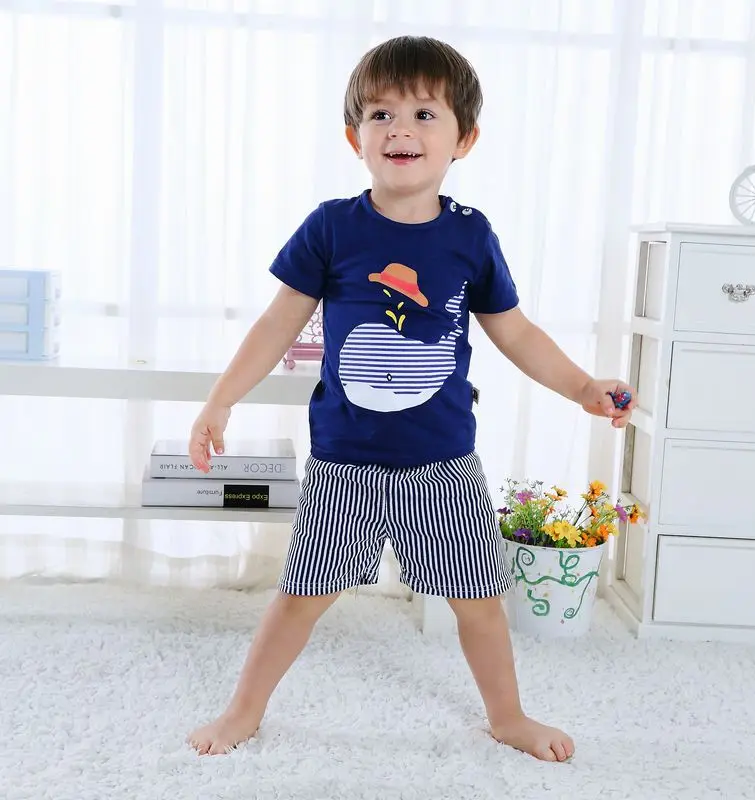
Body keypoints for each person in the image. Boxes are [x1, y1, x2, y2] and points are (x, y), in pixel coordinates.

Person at [186, 35, 636, 762]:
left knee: (479, 604)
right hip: (344, 463)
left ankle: (508, 716)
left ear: (465, 138)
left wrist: (583, 387)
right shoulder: (332, 227)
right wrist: (220, 402)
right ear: (354, 137)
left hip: (443, 463)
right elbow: (277, 324)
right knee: (300, 598)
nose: (401, 129)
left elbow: (515, 331)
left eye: (425, 114)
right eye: (382, 114)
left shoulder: (470, 236)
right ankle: (242, 712)